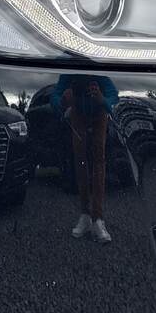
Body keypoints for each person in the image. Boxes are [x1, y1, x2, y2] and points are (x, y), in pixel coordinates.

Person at [55, 72, 119, 242]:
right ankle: (85, 215)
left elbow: (114, 96)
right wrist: (63, 100)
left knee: (99, 161)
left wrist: (102, 99)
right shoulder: (67, 66)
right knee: (81, 161)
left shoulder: (98, 68)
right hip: (77, 114)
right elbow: (55, 95)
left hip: (99, 114)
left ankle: (98, 219)